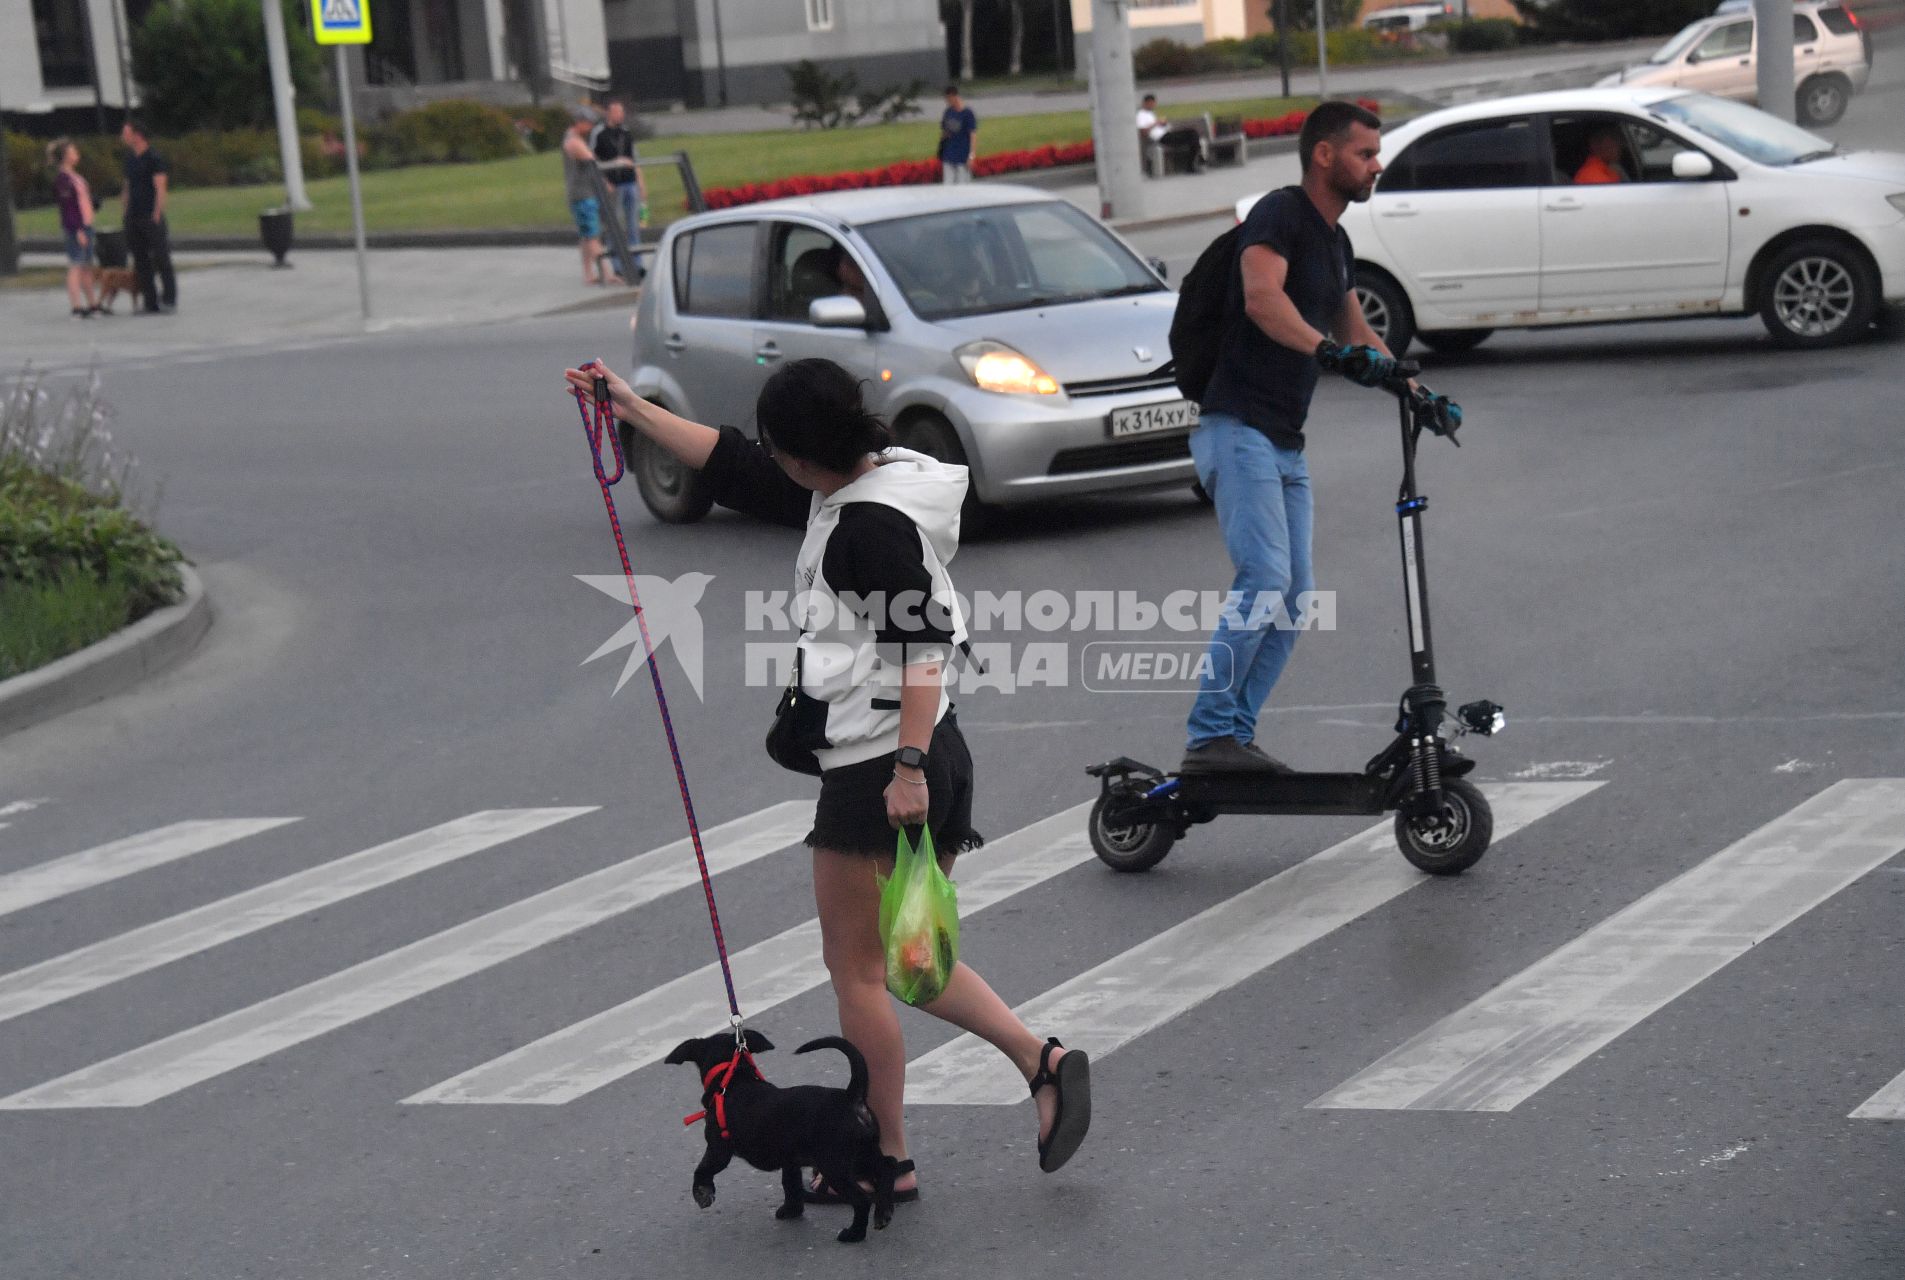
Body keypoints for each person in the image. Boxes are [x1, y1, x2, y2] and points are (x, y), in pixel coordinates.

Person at [560, 355, 1093, 1202]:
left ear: (804, 456)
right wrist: (629, 407)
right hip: (929, 754)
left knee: (861, 975)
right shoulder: (870, 483)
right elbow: (730, 458)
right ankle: (1042, 1061)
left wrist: (906, 770)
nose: (766, 462)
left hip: (884, 768)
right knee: (912, 959)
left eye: (778, 451)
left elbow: (925, 647)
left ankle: (884, 1159)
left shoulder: (861, 531)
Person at [1180, 100, 1407, 774]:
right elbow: (1261, 297)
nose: (1376, 165)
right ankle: (1208, 736)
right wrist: (1329, 355)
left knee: (1296, 593)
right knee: (1265, 577)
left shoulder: (1335, 243)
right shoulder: (1279, 215)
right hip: (1237, 425)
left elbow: (1356, 333)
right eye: (1365, 153)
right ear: (1325, 155)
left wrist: (1417, 394)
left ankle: (1232, 734)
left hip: (1282, 438)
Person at [120, 118, 177, 315]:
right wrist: (125, 210)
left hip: (150, 214)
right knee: (140, 259)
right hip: (133, 215)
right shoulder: (129, 159)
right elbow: (127, 186)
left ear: (137, 135)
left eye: (126, 133)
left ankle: (169, 297)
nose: (123, 136)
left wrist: (157, 213)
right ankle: (149, 299)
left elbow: (160, 187)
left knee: (161, 257)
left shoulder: (154, 158)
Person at [562, 109, 620, 286]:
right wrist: (613, 169)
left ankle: (588, 274)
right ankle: (607, 273)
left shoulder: (575, 138)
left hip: (583, 192)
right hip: (582, 194)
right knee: (592, 235)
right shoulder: (573, 142)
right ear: (579, 122)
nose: (591, 127)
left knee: (586, 236)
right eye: (588, 123)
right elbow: (593, 162)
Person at [49, 139, 102, 319]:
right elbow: (68, 207)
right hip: (76, 228)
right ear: (65, 157)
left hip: (87, 224)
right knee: (76, 265)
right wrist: (78, 229)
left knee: (87, 266)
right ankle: (76, 307)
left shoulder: (76, 177)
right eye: (73, 152)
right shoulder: (63, 180)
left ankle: (92, 303)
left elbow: (82, 199)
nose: (76, 154)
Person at [590, 100, 646, 249]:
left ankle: (636, 259)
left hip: (629, 181)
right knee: (614, 223)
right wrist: (604, 181)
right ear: (609, 113)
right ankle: (616, 261)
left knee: (633, 223)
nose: (620, 115)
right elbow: (593, 160)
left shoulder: (626, 133)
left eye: (621, 112)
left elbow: (634, 159)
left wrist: (640, 183)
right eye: (617, 112)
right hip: (613, 184)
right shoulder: (599, 134)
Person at [1137, 93, 1201, 173]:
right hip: (1161, 138)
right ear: (1146, 103)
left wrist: (1163, 124)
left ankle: (1193, 163)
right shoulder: (1140, 115)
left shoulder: (1151, 114)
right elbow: (1143, 132)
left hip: (1167, 134)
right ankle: (1194, 163)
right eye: (1152, 103)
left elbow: (1157, 126)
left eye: (1154, 103)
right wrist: (1156, 123)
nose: (1153, 105)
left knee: (1193, 134)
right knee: (1192, 135)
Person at [938, 86, 978, 184]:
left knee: (962, 186)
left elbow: (973, 135)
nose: (947, 101)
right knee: (948, 184)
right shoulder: (948, 112)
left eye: (948, 98)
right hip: (949, 154)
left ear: (954, 96)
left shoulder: (967, 114)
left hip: (962, 156)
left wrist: (971, 155)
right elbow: (944, 131)